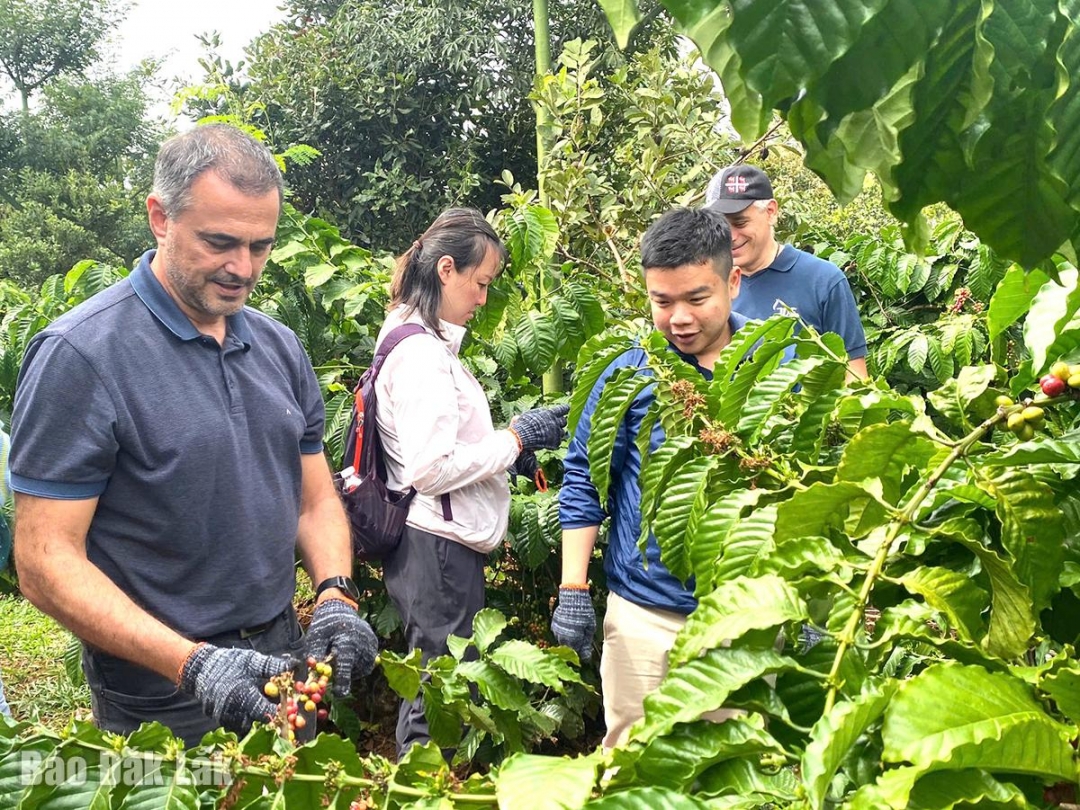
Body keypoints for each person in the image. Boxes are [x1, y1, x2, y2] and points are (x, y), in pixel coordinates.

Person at [9, 124, 377, 747]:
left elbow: (314, 500)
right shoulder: (81, 355)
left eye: (261, 246)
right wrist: (194, 664)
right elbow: (44, 560)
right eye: (219, 243)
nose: (243, 269)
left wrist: (337, 595)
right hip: (160, 688)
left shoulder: (279, 347)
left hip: (281, 663)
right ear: (160, 216)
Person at [374, 208, 568, 758]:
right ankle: (420, 791)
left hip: (433, 544)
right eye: (480, 283)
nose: (483, 299)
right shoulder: (420, 354)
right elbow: (428, 468)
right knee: (437, 693)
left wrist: (509, 455)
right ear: (445, 270)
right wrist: (513, 439)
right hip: (437, 550)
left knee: (438, 687)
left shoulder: (413, 335)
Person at [552, 207, 746, 749]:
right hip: (645, 616)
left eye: (695, 299)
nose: (679, 318)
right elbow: (584, 481)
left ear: (732, 281)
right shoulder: (632, 372)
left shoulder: (774, 363)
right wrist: (573, 588)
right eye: (662, 302)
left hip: (744, 618)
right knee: (632, 773)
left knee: (737, 776)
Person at [705, 164, 868, 380]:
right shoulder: (707, 284)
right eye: (721, 227)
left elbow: (853, 373)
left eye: (740, 222)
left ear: (771, 212)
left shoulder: (823, 279)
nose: (730, 236)